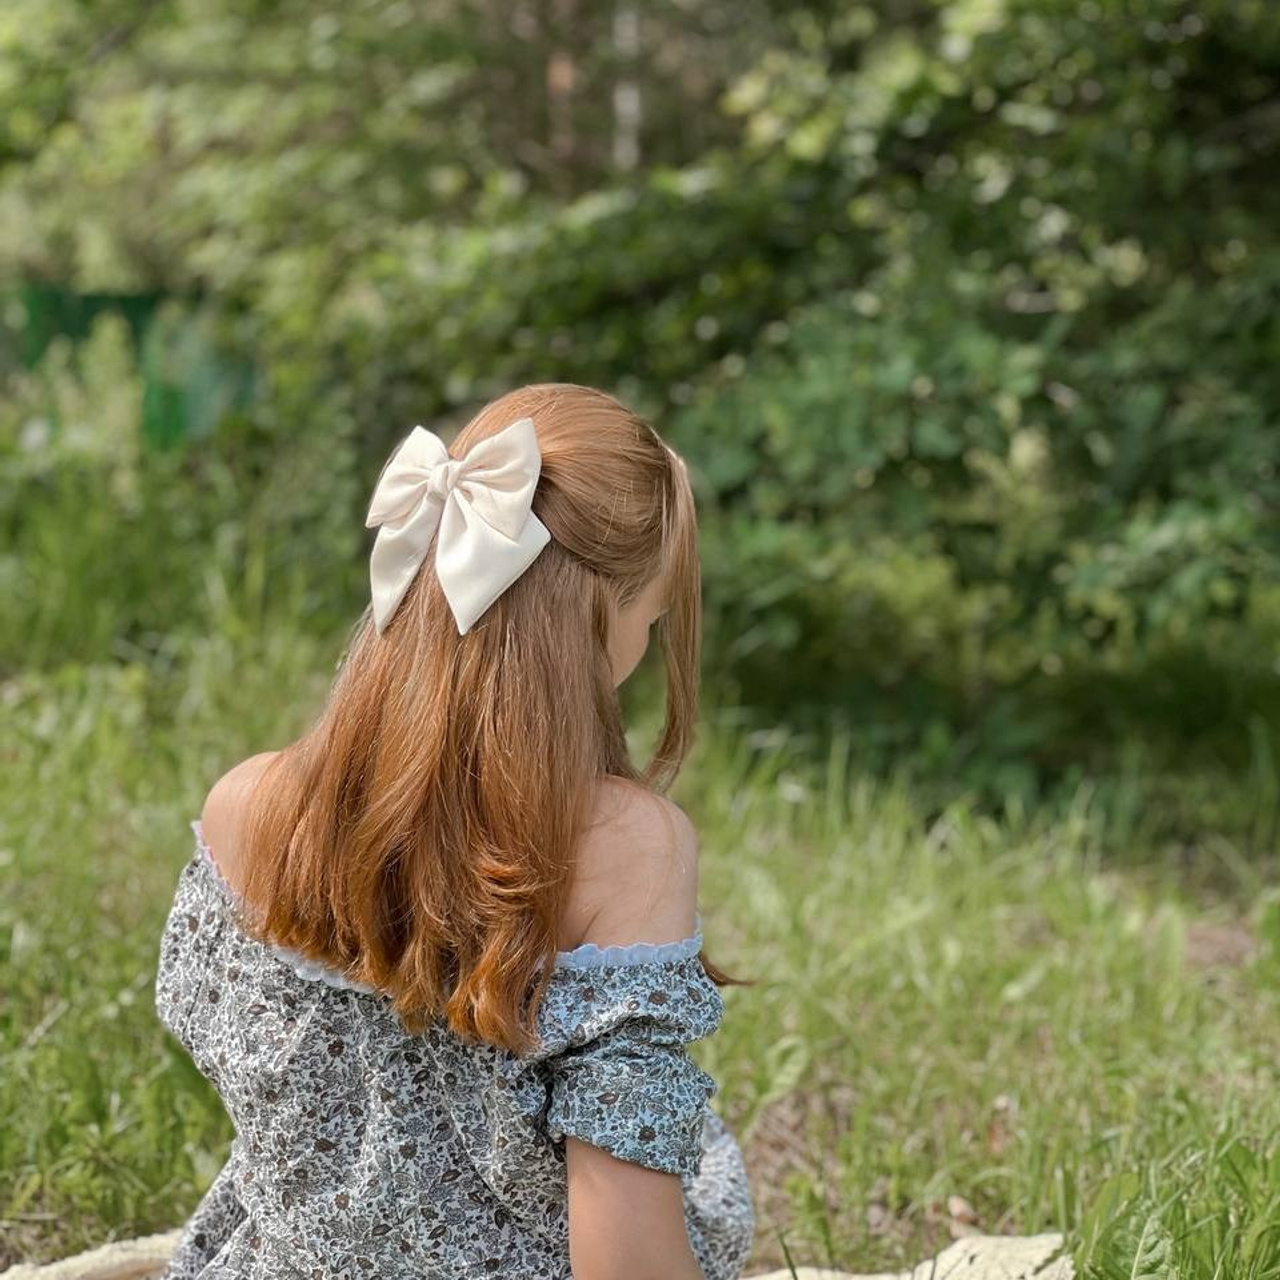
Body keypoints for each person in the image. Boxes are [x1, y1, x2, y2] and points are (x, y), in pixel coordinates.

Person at [153, 382, 755, 1279]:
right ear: (602, 616)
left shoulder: (248, 806)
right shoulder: (631, 847)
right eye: (651, 616)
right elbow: (623, 1252)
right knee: (703, 1152)